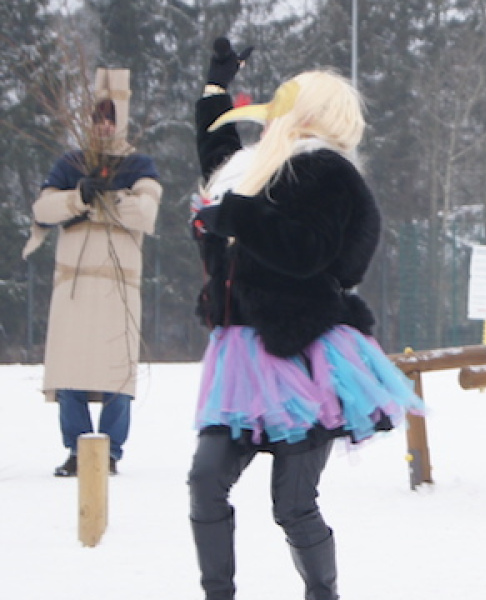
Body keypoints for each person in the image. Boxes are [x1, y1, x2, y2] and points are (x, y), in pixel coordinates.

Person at [188, 39, 421, 599]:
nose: (272, 113)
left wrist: (237, 217)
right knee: (205, 481)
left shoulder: (329, 173)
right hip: (242, 352)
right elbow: (220, 158)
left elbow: (308, 251)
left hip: (305, 352)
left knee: (293, 504)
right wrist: (216, 89)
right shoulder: (255, 169)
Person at [23, 68, 161, 477]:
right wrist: (78, 197)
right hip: (75, 285)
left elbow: (146, 212)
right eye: (98, 118)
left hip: (118, 285)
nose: (104, 126)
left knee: (117, 373)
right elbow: (42, 210)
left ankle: (111, 451)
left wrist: (110, 199)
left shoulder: (139, 164)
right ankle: (78, 448)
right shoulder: (70, 163)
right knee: (71, 369)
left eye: (111, 119)